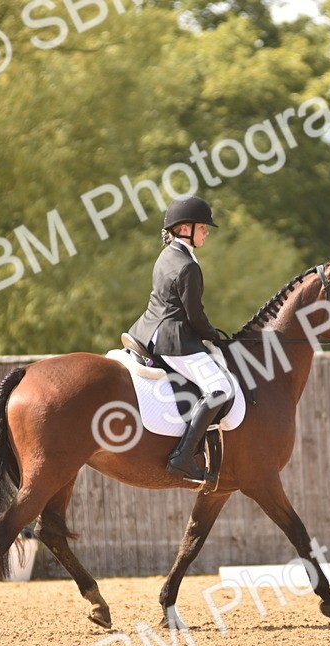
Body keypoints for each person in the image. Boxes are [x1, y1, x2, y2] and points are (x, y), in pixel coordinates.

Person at [128, 195, 234, 482]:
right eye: (203, 227)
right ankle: (183, 456)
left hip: (147, 330)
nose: (207, 232)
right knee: (220, 388)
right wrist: (213, 336)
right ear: (185, 228)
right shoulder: (188, 266)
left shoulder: (167, 255)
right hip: (173, 339)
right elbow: (194, 315)